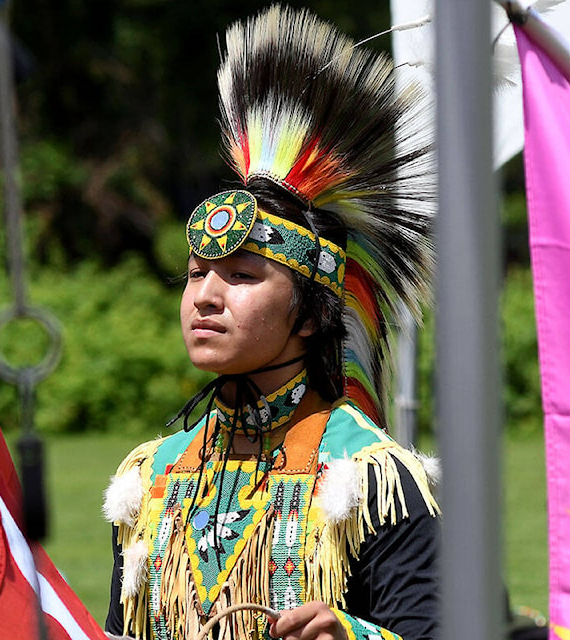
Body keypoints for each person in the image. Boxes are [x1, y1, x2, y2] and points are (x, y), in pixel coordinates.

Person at [104, 6, 440, 640]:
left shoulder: (372, 482)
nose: (205, 295)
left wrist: (353, 635)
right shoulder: (149, 481)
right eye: (197, 271)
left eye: (242, 275)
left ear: (311, 316)